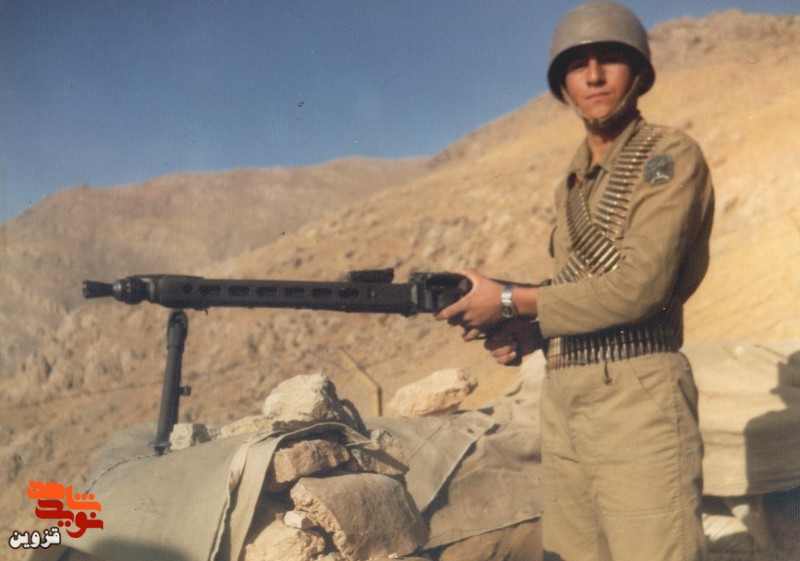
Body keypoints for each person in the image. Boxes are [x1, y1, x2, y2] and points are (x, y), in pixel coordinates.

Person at [436, 2, 715, 560]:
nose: (593, 76)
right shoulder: (571, 184)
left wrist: (510, 300)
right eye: (577, 65)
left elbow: (639, 289)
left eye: (610, 59)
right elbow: (586, 285)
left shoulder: (667, 156)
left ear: (639, 74)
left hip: (637, 396)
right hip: (564, 397)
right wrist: (533, 330)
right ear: (562, 85)